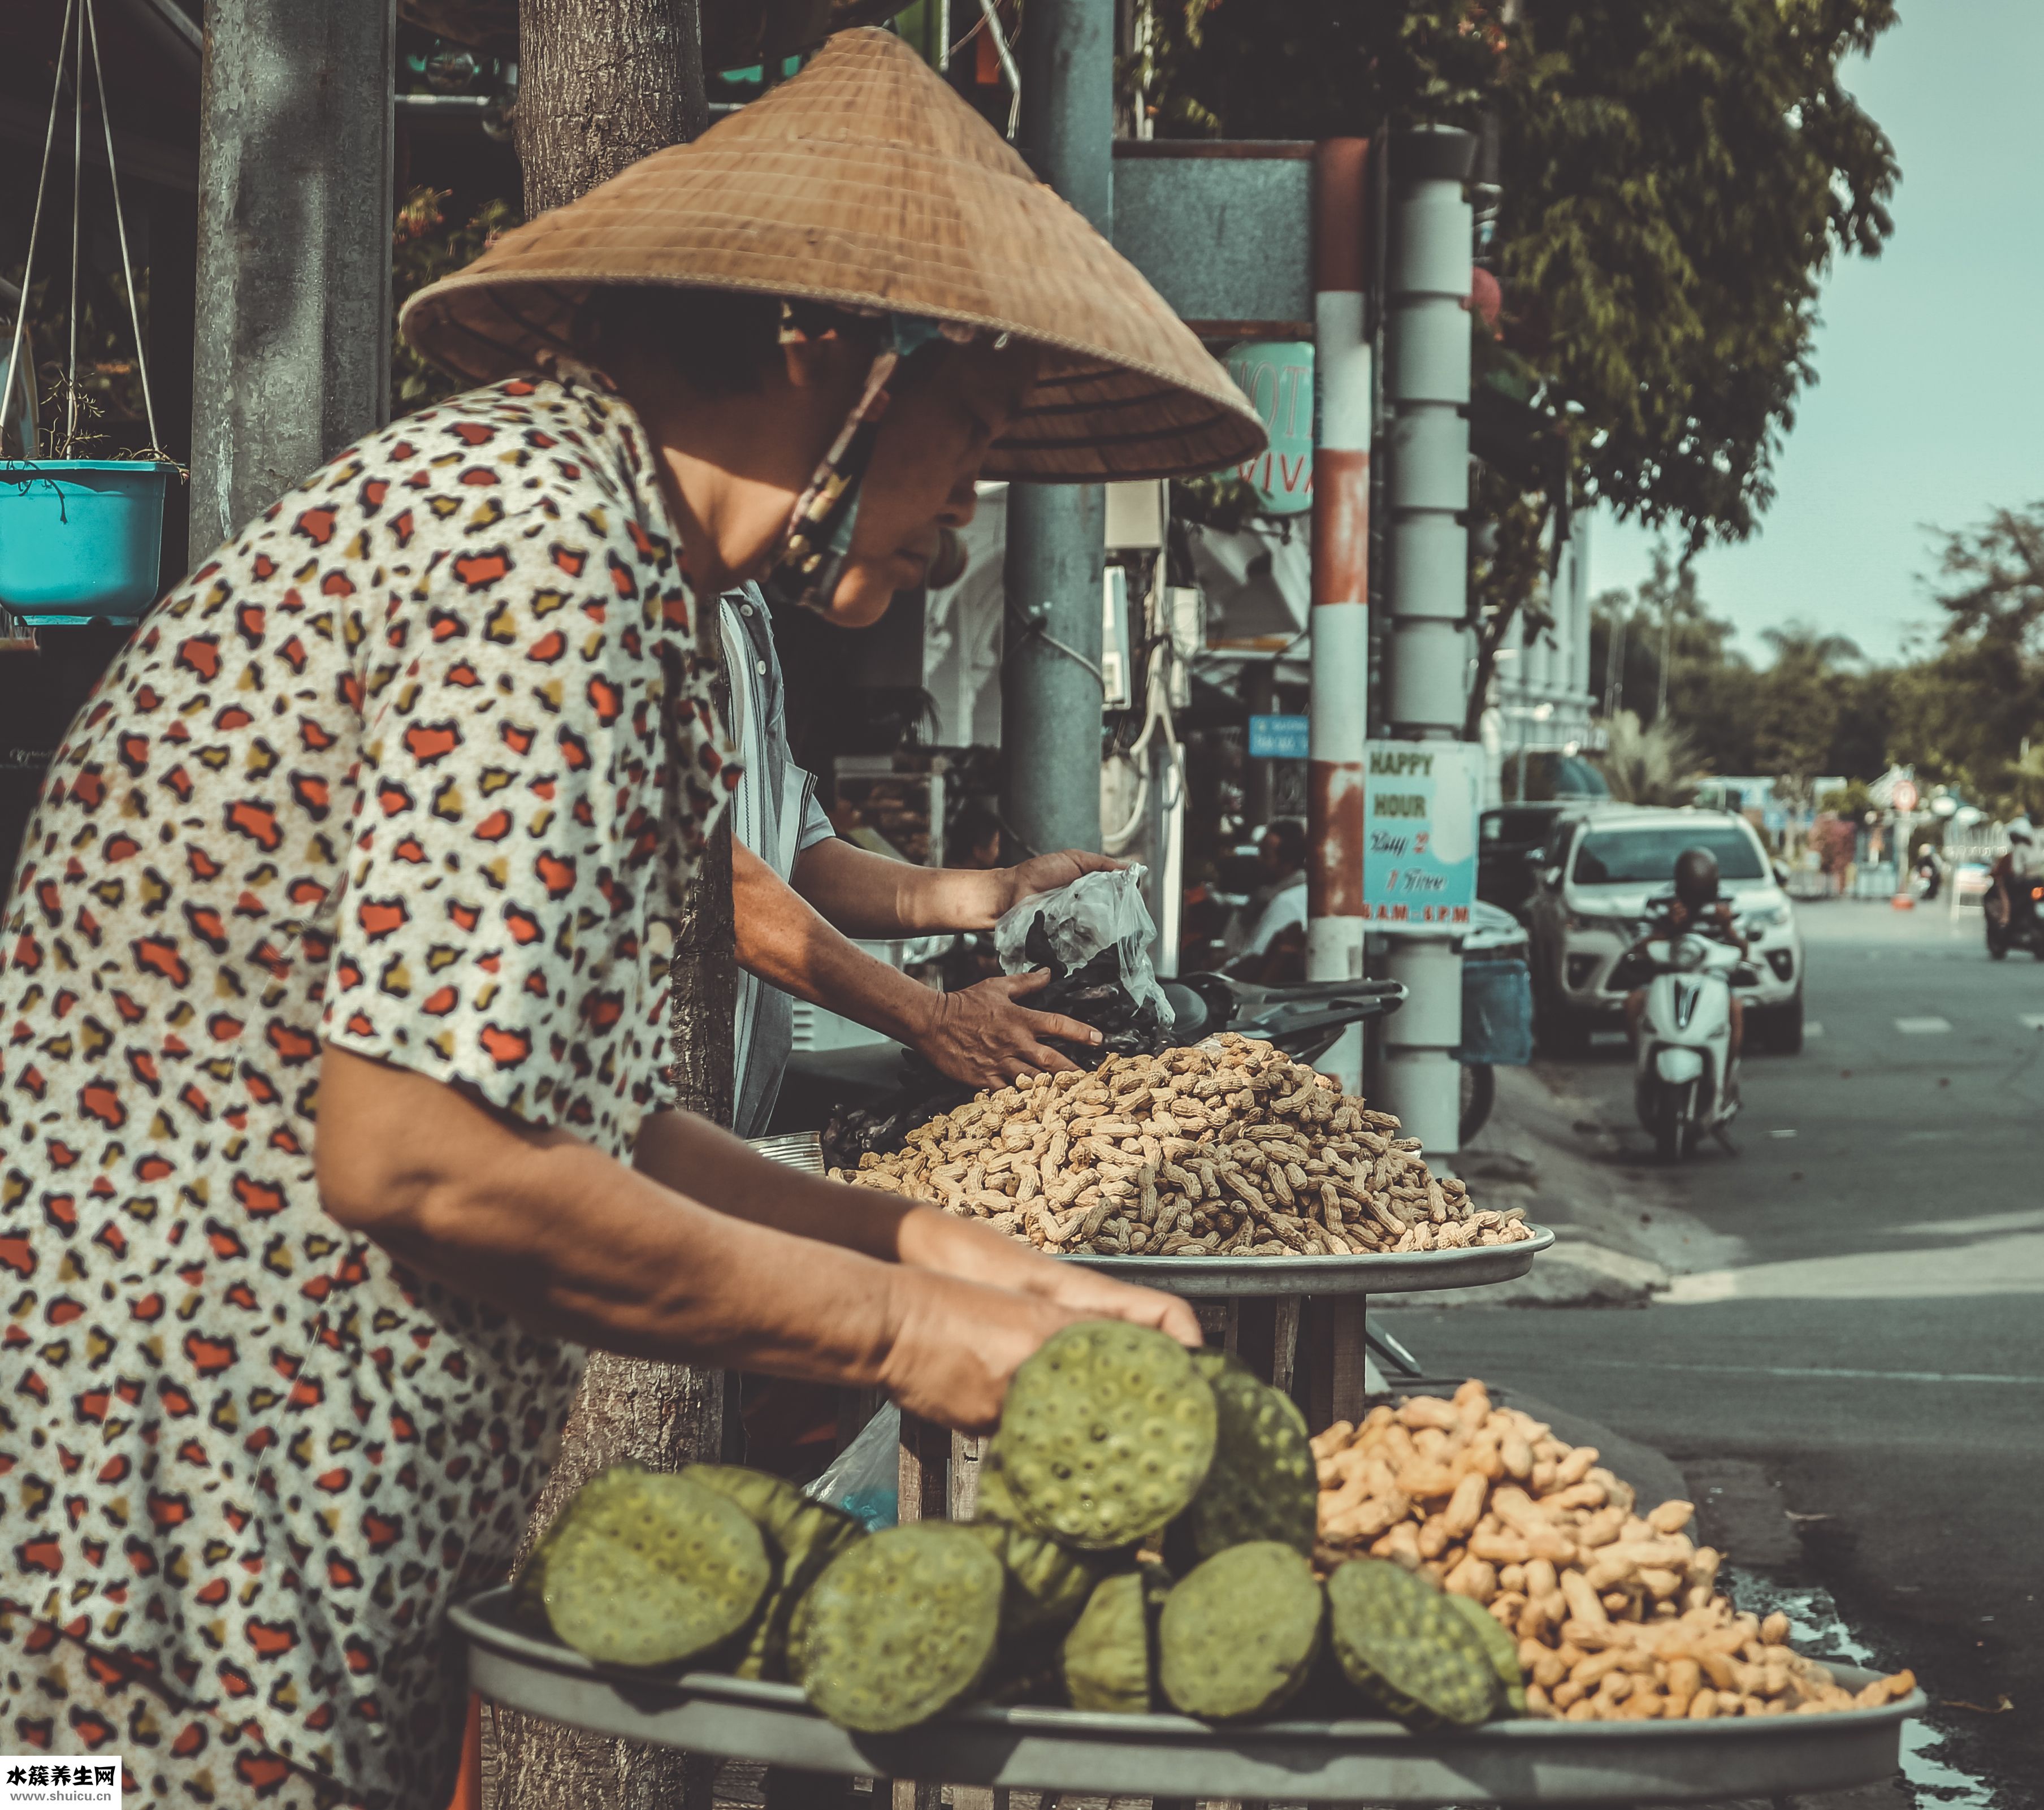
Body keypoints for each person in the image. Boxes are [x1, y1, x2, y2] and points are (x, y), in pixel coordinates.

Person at [0, 32, 1262, 1810]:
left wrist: (927, 1249)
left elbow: (577, 1129)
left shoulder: (611, 558)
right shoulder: (547, 556)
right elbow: (421, 1157)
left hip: (258, 1556)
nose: (972, 522)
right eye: (973, 436)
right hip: (142, 1603)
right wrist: (900, 1335)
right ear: (839, 357)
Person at [720, 591, 1103, 1137]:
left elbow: (795, 856)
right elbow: (708, 880)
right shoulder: (620, 580)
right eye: (946, 501)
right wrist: (932, 1018)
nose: (949, 530)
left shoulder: (745, 611)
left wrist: (1001, 893)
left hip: (721, 1121)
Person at [1623, 846, 1749, 1054]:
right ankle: (1645, 1062)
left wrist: (1727, 928)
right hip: (1665, 976)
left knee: (1735, 1008)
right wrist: (1670, 927)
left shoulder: (1727, 901)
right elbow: (1639, 947)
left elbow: (1744, 951)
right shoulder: (1660, 900)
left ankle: (1724, 1074)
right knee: (1633, 1004)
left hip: (1712, 978)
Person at [1234, 818, 1310, 982]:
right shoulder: (1267, 896)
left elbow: (1253, 959)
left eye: (1266, 856)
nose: (1259, 860)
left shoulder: (1286, 902)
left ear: (1289, 862)